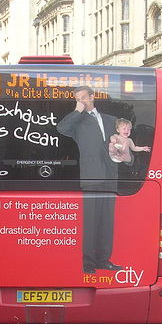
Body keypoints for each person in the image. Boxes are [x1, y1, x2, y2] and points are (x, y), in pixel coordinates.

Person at [57, 85, 123, 274]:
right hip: (91, 176)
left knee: (107, 221)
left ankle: (104, 259)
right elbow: (61, 128)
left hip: (110, 176)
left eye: (84, 97)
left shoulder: (111, 120)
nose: (82, 101)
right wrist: (76, 111)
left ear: (92, 97)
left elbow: (123, 143)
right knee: (91, 221)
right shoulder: (77, 122)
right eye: (78, 99)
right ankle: (88, 261)